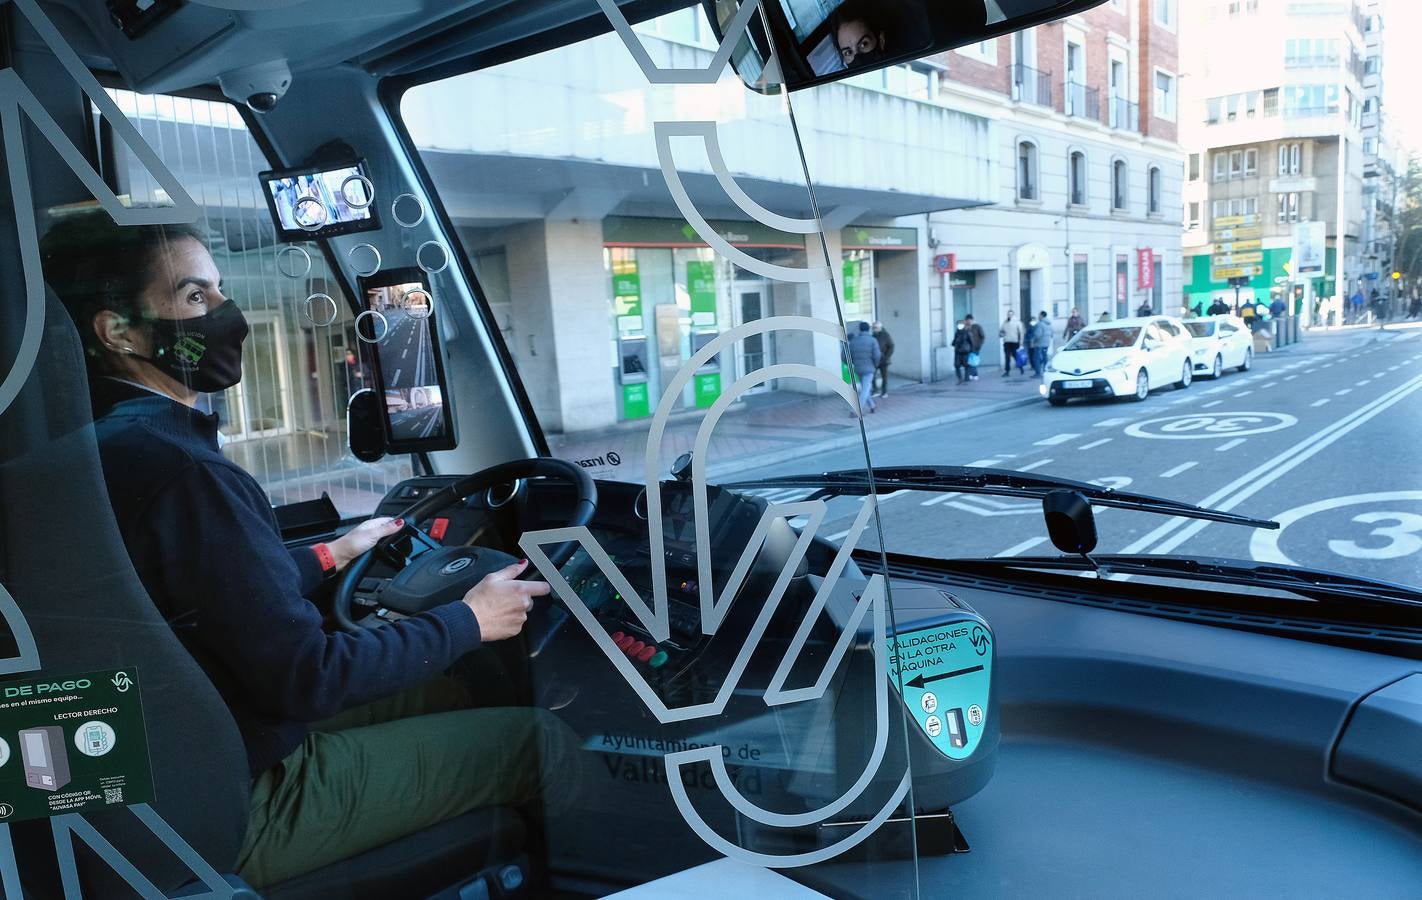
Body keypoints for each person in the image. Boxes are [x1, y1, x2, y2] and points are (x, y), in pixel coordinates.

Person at [41, 210, 578, 890]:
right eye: (194, 297)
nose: (224, 314)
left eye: (219, 291)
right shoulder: (183, 470)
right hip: (228, 802)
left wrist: (331, 555)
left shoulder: (108, 447)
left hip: (170, 758)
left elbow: (204, 595)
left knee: (451, 688)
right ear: (119, 331)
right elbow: (311, 677)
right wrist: (472, 618)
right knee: (540, 741)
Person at [849, 321, 881, 412]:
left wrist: (854, 362)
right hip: (869, 369)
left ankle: (872, 405)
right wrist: (875, 365)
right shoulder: (873, 340)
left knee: (865, 388)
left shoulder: (854, 341)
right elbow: (877, 355)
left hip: (858, 369)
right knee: (865, 390)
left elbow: (844, 356)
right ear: (869, 329)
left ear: (860, 329)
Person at [872, 321, 895, 397]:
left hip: (884, 361)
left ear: (880, 328)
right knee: (872, 376)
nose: (874, 329)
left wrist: (886, 357)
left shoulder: (885, 335)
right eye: (873, 327)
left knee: (884, 377)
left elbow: (891, 346)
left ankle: (884, 392)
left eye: (875, 327)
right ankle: (875, 391)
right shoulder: (873, 335)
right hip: (875, 360)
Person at [999, 311, 1025, 377]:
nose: (1009, 315)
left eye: (1010, 314)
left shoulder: (1017, 322)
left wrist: (1021, 342)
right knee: (1007, 357)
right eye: (1008, 314)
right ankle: (1007, 371)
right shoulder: (1005, 323)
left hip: (1015, 342)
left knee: (1015, 356)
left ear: (1013, 315)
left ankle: (1020, 367)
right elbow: (1001, 331)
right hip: (1007, 342)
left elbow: (1021, 333)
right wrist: (1001, 334)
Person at [1028, 311, 1052, 377]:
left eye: (1039, 315)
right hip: (1046, 343)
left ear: (1042, 316)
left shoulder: (1040, 324)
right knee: (1045, 358)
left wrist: (1033, 340)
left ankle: (1037, 373)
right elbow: (1051, 333)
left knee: (1037, 358)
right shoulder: (1049, 324)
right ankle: (1046, 371)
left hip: (1039, 344)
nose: (1038, 316)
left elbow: (1038, 335)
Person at [963, 314, 986, 381]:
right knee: (968, 361)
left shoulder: (977, 326)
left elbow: (983, 336)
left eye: (969, 320)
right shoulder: (965, 327)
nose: (968, 321)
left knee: (973, 361)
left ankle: (975, 374)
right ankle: (971, 374)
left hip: (975, 347)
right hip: (966, 348)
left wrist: (979, 345)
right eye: (967, 320)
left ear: (972, 320)